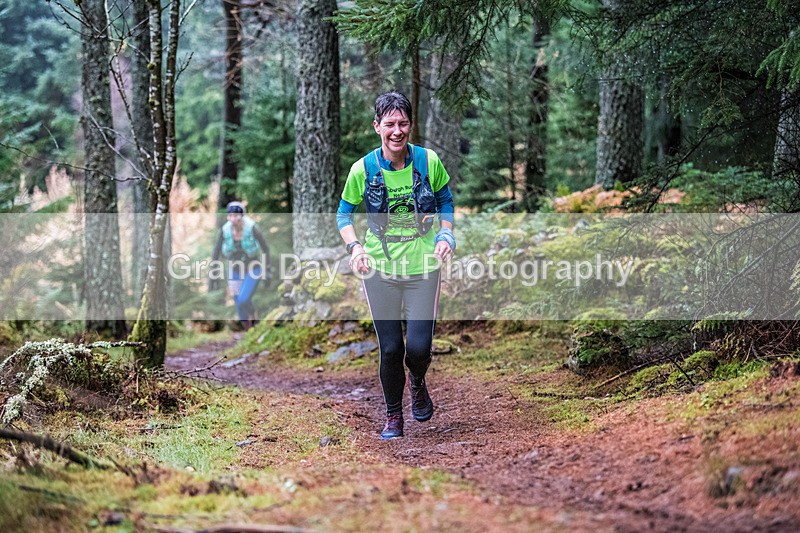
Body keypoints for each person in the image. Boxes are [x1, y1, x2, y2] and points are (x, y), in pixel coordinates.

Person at [336, 91, 456, 439]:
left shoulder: (428, 161)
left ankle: (417, 380)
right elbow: (345, 213)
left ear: (410, 125)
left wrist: (445, 236)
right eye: (389, 124)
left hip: (423, 265)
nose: (397, 131)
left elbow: (446, 199)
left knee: (417, 349)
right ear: (377, 127)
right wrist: (355, 247)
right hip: (378, 268)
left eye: (403, 123)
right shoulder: (364, 169)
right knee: (390, 348)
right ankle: (393, 416)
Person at [211, 201, 271, 330]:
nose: (233, 219)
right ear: (228, 217)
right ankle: (248, 328)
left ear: (242, 216)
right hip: (235, 267)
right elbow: (216, 253)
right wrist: (213, 276)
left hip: (253, 266)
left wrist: (267, 272)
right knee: (237, 300)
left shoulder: (252, 228)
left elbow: (266, 249)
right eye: (230, 215)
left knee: (244, 298)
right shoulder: (224, 230)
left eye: (236, 215)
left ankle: (253, 316)